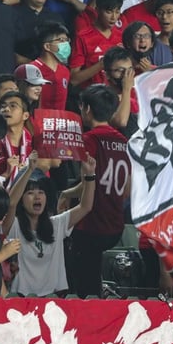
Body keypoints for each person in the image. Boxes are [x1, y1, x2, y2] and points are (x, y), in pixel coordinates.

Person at [65, 85, 130, 298]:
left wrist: (67, 194)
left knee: (84, 287)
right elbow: (128, 189)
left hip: (90, 225)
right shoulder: (124, 142)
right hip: (115, 224)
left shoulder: (88, 140)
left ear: (87, 109)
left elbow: (88, 182)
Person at [9, 157, 97, 297]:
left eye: (41, 193)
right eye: (30, 193)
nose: (37, 197)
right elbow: (11, 204)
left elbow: (86, 206)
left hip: (53, 299)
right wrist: (29, 170)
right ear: (21, 199)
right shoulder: (14, 225)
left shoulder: (57, 224)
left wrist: (90, 174)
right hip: (20, 299)